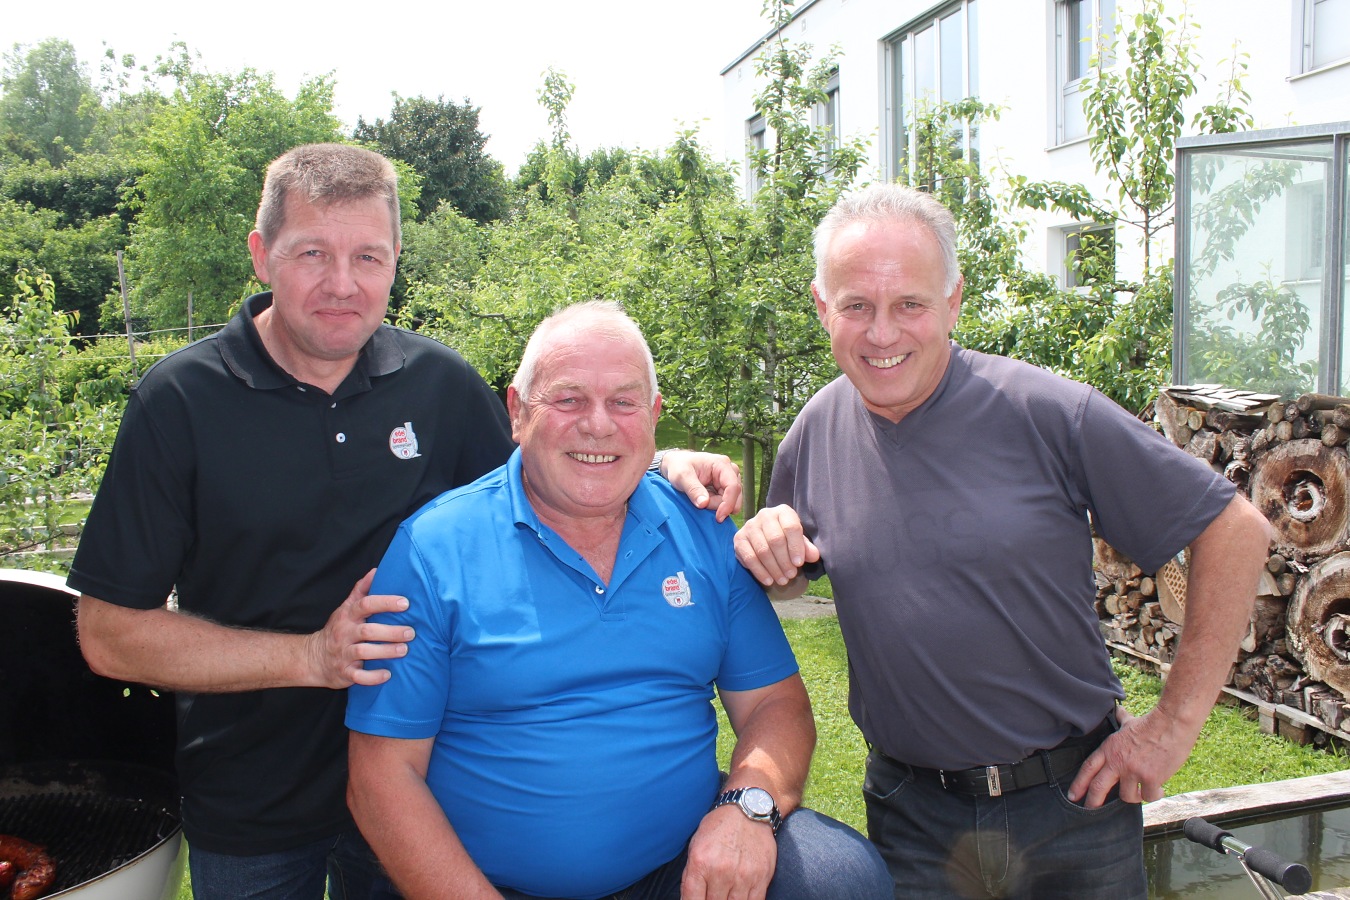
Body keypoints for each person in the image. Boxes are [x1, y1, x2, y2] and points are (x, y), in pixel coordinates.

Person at [66, 143, 741, 900]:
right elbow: (108, 634)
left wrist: (659, 460)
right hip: (252, 799)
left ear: (395, 265)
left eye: (369, 257)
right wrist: (310, 658)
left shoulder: (439, 387)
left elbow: (550, 477)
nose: (342, 283)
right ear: (261, 255)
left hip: (418, 789)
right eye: (312, 253)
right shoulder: (181, 402)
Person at [732, 184, 1273, 900]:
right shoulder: (815, 430)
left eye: (910, 304)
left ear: (953, 302)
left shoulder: (1047, 411)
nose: (882, 333)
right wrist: (769, 553)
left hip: (1071, 811)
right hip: (911, 815)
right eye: (857, 305)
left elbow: (1235, 530)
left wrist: (1172, 726)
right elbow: (796, 573)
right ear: (821, 305)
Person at [345, 301, 891, 900]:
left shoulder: (702, 530)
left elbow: (774, 705)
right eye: (568, 399)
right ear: (517, 412)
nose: (598, 425)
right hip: (491, 885)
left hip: (678, 871)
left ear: (653, 417)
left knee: (841, 878)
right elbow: (382, 777)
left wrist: (747, 807)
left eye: (624, 402)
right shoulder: (433, 550)